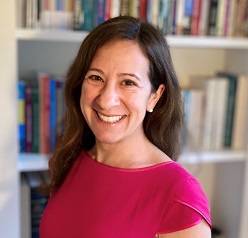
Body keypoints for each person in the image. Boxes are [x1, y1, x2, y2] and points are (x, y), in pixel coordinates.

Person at [40, 16, 212, 238]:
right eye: (96, 77)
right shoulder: (68, 160)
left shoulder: (179, 196)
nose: (106, 100)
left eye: (128, 82)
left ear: (154, 96)